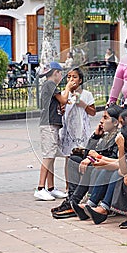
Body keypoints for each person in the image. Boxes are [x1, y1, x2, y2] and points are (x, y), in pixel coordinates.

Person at [52, 105, 123, 219]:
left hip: (107, 166)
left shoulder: (118, 137)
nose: (101, 121)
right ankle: (71, 198)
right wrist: (95, 136)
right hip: (100, 162)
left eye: (105, 118)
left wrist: (92, 158)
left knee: (92, 166)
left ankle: (74, 202)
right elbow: (87, 153)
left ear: (115, 122)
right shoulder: (105, 135)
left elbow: (113, 157)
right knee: (74, 160)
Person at [34, 62, 76, 201]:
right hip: (49, 124)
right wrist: (69, 87)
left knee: (51, 155)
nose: (62, 76)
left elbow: (59, 102)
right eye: (61, 73)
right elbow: (63, 99)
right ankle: (40, 188)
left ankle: (50, 188)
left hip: (52, 123)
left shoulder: (48, 85)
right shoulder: (50, 84)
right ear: (56, 72)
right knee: (48, 156)